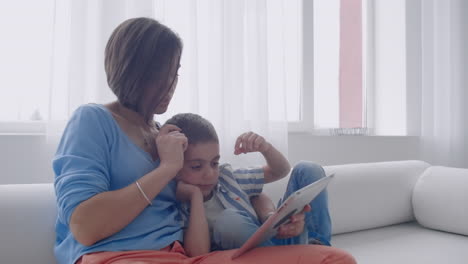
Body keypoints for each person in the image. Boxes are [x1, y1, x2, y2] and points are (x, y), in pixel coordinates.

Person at [53, 17, 356, 264]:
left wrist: (271, 215)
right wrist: (166, 169)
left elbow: (233, 187)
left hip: (187, 256)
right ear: (134, 72)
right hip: (117, 256)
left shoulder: (167, 134)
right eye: (163, 75)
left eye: (175, 74)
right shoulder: (93, 120)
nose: (171, 85)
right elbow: (84, 227)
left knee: (334, 259)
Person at [166, 113, 332, 252]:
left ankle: (319, 249)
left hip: (277, 239)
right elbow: (197, 253)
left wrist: (265, 148)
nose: (210, 174)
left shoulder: (227, 177)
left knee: (308, 169)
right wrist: (195, 197)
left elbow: (280, 171)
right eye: (196, 166)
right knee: (229, 221)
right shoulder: (175, 205)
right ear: (175, 166)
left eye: (215, 163)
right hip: (254, 255)